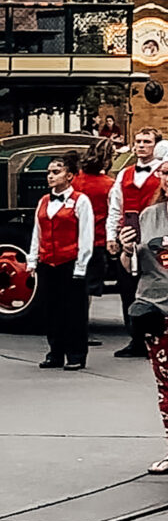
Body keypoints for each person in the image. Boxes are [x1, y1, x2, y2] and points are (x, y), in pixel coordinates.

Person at [117, 159, 168, 475]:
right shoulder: (149, 217)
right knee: (166, 384)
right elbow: (130, 266)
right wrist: (125, 250)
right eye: (165, 172)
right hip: (155, 309)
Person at [26, 155, 94, 371]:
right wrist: (32, 260)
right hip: (48, 262)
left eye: (56, 172)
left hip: (70, 262)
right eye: (49, 172)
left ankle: (76, 354)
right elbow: (37, 232)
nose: (50, 176)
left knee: (74, 311)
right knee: (51, 310)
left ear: (70, 176)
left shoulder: (81, 200)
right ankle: (55, 352)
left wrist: (81, 266)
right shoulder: (43, 201)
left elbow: (86, 235)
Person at [107, 127, 162, 358]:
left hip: (156, 237)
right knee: (128, 290)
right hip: (130, 237)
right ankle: (135, 339)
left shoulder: (163, 172)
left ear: (155, 145)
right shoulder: (124, 173)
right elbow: (115, 206)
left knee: (155, 288)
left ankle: (157, 338)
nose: (141, 145)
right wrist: (112, 235)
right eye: (138, 141)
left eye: (147, 142)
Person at [73, 141, 115, 343]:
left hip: (73, 239)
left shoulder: (75, 181)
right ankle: (81, 328)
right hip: (96, 239)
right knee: (88, 288)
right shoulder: (108, 185)